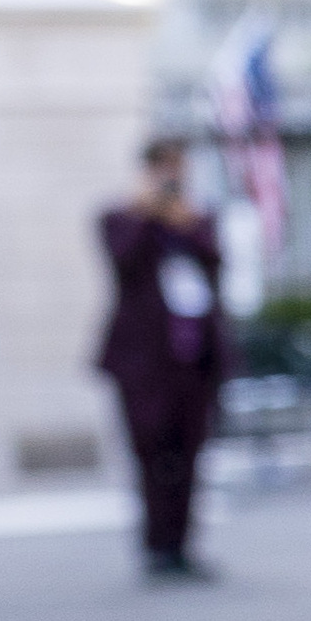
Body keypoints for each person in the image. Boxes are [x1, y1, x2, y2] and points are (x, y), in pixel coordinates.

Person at [92, 135, 229, 579]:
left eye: (178, 168)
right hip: (143, 365)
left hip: (193, 360)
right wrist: (147, 213)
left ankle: (183, 545)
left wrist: (182, 222)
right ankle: (157, 546)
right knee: (150, 453)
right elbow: (122, 261)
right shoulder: (120, 218)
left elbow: (215, 260)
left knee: (190, 454)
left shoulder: (196, 218)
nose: (172, 178)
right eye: (163, 169)